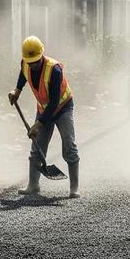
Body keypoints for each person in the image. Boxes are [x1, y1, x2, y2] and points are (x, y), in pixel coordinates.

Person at [8, 36, 80, 199]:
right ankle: (33, 185)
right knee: (37, 147)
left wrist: (38, 124)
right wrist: (17, 90)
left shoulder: (53, 69)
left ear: (41, 55)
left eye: (36, 61)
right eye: (30, 62)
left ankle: (74, 188)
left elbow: (54, 102)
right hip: (43, 108)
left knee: (69, 146)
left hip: (62, 108)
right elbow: (22, 75)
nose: (33, 65)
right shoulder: (25, 64)